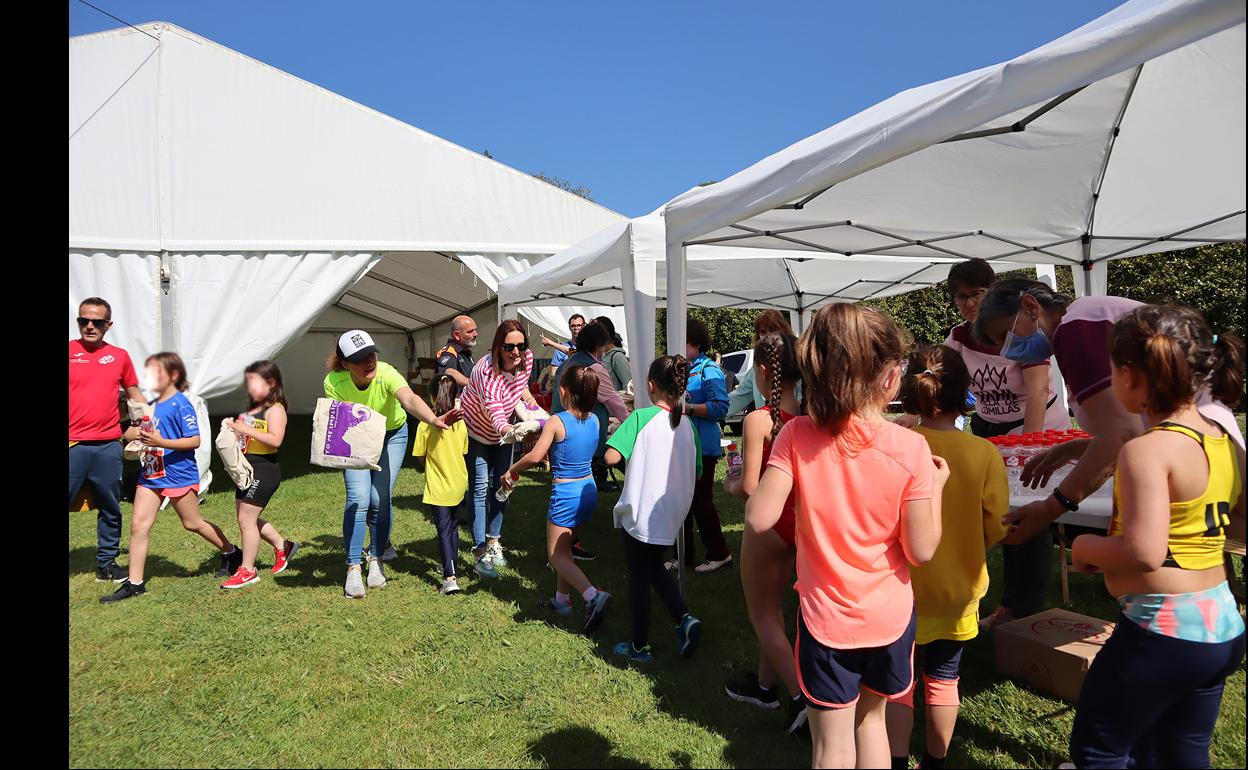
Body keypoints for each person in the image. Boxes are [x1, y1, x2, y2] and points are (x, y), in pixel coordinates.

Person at [746, 303, 948, 769]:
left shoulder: (795, 435)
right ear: (890, 377)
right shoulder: (912, 448)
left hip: (825, 623)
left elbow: (758, 518)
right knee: (872, 724)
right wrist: (935, 488)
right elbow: (921, 550)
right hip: (890, 622)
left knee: (831, 746)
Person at [1067, 305, 1245, 767]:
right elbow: (1241, 521)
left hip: (1162, 632)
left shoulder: (1145, 450)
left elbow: (1143, 552)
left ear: (1128, 376)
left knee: (1098, 751)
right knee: (1179, 752)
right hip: (1220, 624)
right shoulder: (1221, 437)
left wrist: (1083, 547)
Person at [972, 280, 1244, 550]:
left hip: (1193, 459)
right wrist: (1074, 448)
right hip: (1203, 449)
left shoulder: (1075, 329)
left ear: (1031, 306)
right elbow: (1132, 434)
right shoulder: (1085, 318)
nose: (1009, 352)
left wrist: (1050, 509)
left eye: (1007, 335)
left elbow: (1121, 436)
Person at [924, 259, 1072, 630]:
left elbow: (1038, 391)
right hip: (991, 429)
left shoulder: (1018, 329)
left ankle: (1026, 608)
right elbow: (947, 381)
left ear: (991, 292)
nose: (969, 303)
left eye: (977, 294)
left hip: (1034, 427)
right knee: (1000, 514)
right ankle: (1004, 598)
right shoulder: (958, 338)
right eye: (961, 297)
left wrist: (1030, 447)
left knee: (1030, 515)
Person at [886, 345, 1009, 770]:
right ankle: (935, 762)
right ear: (965, 393)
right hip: (959, 587)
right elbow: (998, 524)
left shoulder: (899, 446)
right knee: (943, 679)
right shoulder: (984, 454)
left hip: (902, 587)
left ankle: (896, 760)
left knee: (899, 683)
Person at [323, 330, 455, 598]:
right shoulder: (333, 381)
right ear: (345, 363)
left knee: (380, 498)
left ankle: (376, 558)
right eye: (359, 358)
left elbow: (409, 399)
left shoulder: (386, 372)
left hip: (392, 435)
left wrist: (432, 419)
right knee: (358, 499)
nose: (369, 362)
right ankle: (352, 568)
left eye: (371, 354)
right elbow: (342, 421)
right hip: (358, 436)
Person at [101, 353, 239, 604]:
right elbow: (138, 430)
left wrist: (160, 441)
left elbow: (194, 441)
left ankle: (231, 551)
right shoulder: (149, 403)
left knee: (193, 523)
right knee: (139, 526)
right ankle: (135, 583)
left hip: (178, 474)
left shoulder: (181, 404)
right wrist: (120, 427)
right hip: (151, 474)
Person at [723, 332, 808, 735]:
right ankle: (764, 687)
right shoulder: (810, 418)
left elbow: (750, 487)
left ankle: (801, 699)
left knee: (762, 615)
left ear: (761, 371)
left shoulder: (760, 421)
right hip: (796, 526)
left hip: (766, 525)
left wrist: (730, 483)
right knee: (773, 610)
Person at [604, 355, 703, 663]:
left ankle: (639, 646)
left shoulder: (640, 418)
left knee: (639, 578)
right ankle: (684, 619)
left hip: (640, 512)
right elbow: (697, 469)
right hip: (672, 514)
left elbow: (610, 457)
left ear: (649, 386)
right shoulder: (689, 426)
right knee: (654, 569)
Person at [503, 365, 613, 633]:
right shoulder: (596, 420)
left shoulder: (557, 421)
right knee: (566, 549)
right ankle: (562, 601)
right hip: (588, 489)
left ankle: (592, 596)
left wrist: (511, 470)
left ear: (563, 391)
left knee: (555, 555)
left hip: (566, 493)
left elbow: (535, 456)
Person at [69, 297, 145, 584]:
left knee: (111, 508)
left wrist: (148, 420)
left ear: (108, 325)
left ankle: (107, 564)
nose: (89, 326)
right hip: (72, 444)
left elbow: (134, 393)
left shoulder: (119, 356)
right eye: (83, 320)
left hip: (108, 444)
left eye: (97, 322)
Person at [460, 320, 539, 578]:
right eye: (509, 347)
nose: (516, 352)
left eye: (520, 345)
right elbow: (496, 416)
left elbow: (519, 386)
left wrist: (531, 404)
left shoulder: (525, 357)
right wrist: (514, 431)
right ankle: (480, 551)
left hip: (504, 434)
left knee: (503, 485)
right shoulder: (487, 374)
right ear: (498, 347)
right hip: (479, 432)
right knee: (480, 487)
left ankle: (494, 541)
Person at [220, 360, 300, 589]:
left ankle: (247, 570)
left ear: (271, 383)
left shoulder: (276, 409)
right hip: (247, 468)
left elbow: (276, 440)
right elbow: (248, 438)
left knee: (247, 519)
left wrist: (244, 428)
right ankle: (282, 545)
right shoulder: (253, 409)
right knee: (246, 518)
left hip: (265, 469)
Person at [668, 318, 732, 574]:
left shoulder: (709, 370)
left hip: (702, 448)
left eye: (683, 342)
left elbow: (721, 407)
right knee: (680, 502)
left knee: (701, 503)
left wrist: (690, 408)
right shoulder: (683, 368)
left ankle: (719, 553)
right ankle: (682, 555)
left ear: (694, 343)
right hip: (681, 447)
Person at [551, 320, 631, 493]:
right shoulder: (593, 368)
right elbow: (613, 401)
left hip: (561, 432)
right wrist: (632, 423)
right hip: (582, 435)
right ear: (597, 346)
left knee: (566, 485)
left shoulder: (568, 363)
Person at [412, 374, 469, 596]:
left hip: (439, 487)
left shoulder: (425, 425)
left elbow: (420, 455)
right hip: (459, 482)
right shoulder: (461, 423)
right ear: (454, 396)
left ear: (432, 397)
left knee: (444, 530)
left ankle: (449, 577)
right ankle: (450, 563)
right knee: (453, 526)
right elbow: (463, 451)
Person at [726, 311, 795, 420]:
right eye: (763, 331)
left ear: (784, 331)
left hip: (792, 424)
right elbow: (739, 396)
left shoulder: (794, 360)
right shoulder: (756, 366)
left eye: (773, 330)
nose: (768, 335)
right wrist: (712, 409)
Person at [434, 315, 479, 393]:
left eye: (475, 330)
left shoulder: (465, 353)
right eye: (470, 331)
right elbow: (449, 372)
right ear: (457, 335)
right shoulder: (449, 352)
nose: (475, 334)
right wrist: (474, 385)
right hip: (455, 402)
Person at [594, 315, 632, 394]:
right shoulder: (602, 356)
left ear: (606, 332)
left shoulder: (617, 356)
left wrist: (613, 398)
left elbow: (629, 385)